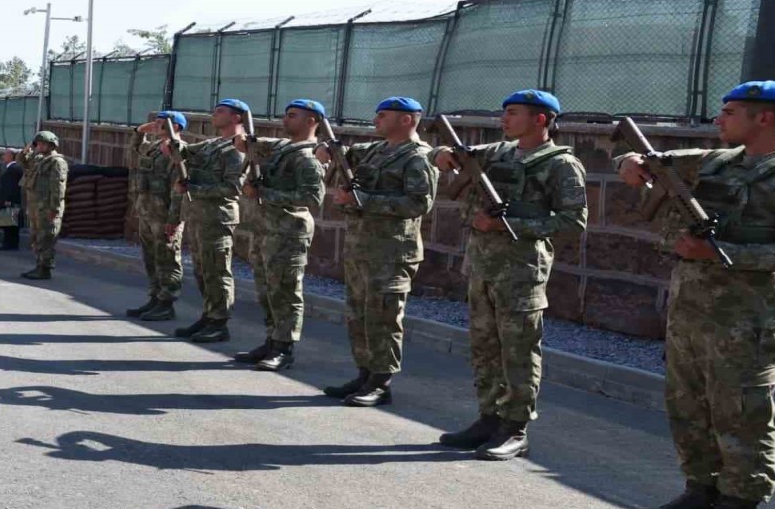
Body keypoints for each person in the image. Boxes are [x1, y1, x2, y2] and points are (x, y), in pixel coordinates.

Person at [619, 81, 775, 509]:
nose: (719, 119)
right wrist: (631, 165)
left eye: (731, 111)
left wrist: (722, 253)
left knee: (742, 413)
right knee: (688, 406)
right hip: (691, 310)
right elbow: (648, 164)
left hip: (748, 319)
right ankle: (700, 494)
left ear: (764, 118)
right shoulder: (717, 160)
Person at [433, 90, 588, 461]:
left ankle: (515, 427)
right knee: (485, 347)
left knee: (518, 350)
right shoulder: (498, 152)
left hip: (521, 271)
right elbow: (450, 158)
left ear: (541, 119)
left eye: (513, 113)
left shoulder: (561, 165)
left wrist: (509, 225)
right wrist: (442, 156)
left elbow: (573, 223)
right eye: (503, 112)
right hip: (483, 266)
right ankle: (488, 418)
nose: (504, 119)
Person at [315, 97, 437, 407]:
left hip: (392, 251)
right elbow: (346, 153)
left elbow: (418, 204)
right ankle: (364, 374)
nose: (377, 119)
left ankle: (381, 383)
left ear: (407, 120)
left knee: (383, 317)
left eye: (384, 115)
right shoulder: (377, 150)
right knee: (358, 316)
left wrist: (363, 200)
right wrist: (328, 150)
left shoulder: (418, 157)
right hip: (362, 248)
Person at [232, 99, 326, 371]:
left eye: (293, 115)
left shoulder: (310, 156)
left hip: (288, 231)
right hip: (266, 230)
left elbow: (311, 197)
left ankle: (284, 348)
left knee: (285, 291)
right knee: (266, 290)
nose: (286, 120)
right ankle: (272, 340)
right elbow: (251, 144)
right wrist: (243, 143)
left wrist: (264, 194)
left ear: (312, 121)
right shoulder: (283, 147)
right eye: (286, 114)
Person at [164, 99, 245, 343]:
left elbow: (233, 187)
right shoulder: (212, 144)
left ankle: (220, 322)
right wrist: (173, 145)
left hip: (218, 218)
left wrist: (194, 188)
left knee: (217, 271)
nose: (214, 115)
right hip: (199, 216)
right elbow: (186, 152)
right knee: (202, 270)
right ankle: (209, 315)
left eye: (220, 112)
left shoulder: (238, 149)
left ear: (236, 118)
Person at [125, 112, 185, 322]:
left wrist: (174, 219)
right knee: (150, 258)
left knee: (167, 260)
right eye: (156, 122)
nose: (156, 126)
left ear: (176, 127)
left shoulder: (177, 150)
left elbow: (179, 188)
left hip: (164, 215)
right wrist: (139, 131)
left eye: (162, 123)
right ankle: (155, 297)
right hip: (148, 212)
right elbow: (134, 148)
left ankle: (166, 303)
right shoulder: (153, 148)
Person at [21, 130, 67, 280]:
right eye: (38, 143)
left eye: (43, 144)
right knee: (35, 236)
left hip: (47, 206)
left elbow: (58, 187)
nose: (40, 146)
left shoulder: (56, 162)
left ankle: (45, 268)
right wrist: (27, 148)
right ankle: (39, 265)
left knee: (46, 237)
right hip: (35, 207)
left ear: (51, 145)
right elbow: (22, 162)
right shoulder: (38, 159)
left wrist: (54, 208)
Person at [0, 148, 23, 251]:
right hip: (8, 199)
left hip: (10, 200)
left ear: (11, 156)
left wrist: (8, 199)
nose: (3, 157)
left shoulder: (13, 169)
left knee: (10, 222)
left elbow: (11, 187)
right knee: (8, 221)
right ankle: (9, 242)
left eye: (5, 154)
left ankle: (9, 243)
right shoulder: (11, 168)